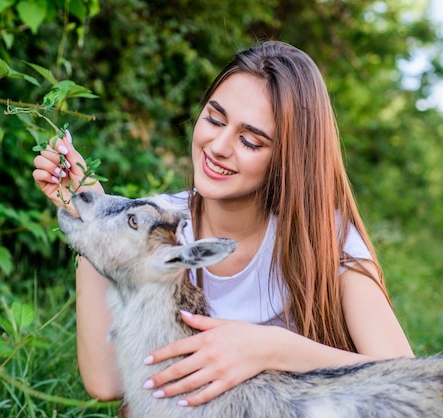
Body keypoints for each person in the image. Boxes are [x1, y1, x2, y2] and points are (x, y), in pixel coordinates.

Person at [32, 40, 414, 408]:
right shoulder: (160, 228)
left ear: (287, 160)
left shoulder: (324, 237)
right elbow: (106, 383)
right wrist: (94, 226)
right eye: (215, 119)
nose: (218, 146)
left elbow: (405, 377)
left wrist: (273, 349)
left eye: (250, 141)